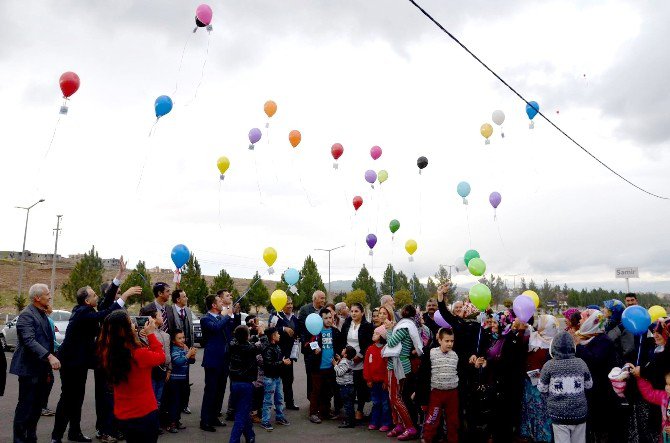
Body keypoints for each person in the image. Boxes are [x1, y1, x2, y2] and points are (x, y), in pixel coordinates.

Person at [51, 284, 140, 443]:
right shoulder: (82, 312)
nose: (96, 297)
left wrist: (117, 280)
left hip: (81, 362)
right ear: (87, 300)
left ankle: (74, 432)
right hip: (71, 363)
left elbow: (105, 303)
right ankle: (56, 436)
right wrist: (124, 296)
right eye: (93, 295)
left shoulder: (88, 310)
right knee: (68, 399)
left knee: (77, 398)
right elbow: (106, 311)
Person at [97, 310, 165, 443]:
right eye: (131, 323)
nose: (134, 325)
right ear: (125, 330)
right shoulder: (138, 355)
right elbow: (161, 356)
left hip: (123, 413)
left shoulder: (107, 353)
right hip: (144, 412)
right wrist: (151, 334)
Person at [11, 283, 61, 443]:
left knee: (36, 408)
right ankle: (19, 439)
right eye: (47, 294)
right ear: (37, 298)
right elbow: (29, 340)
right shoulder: (26, 315)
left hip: (41, 370)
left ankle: (31, 437)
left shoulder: (42, 314)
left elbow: (47, 341)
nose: (50, 296)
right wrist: (50, 357)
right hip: (29, 370)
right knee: (25, 408)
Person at [574, 309, 622, 442]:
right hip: (590, 388)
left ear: (591, 321)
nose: (579, 321)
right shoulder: (588, 337)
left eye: (583, 318)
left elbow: (594, 360)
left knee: (601, 424)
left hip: (601, 390)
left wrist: (578, 346)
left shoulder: (603, 340)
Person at [537, 331, 593, 443]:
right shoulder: (581, 363)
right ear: (573, 347)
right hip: (579, 413)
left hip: (558, 414)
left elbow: (541, 388)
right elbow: (589, 385)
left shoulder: (549, 365)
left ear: (553, 347)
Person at [95, 259, 128, 442]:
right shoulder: (103, 307)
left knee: (117, 396)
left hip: (118, 357)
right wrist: (119, 277)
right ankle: (104, 429)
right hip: (105, 359)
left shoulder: (122, 309)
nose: (120, 295)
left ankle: (116, 427)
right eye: (118, 292)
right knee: (105, 397)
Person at [383, 304, 424, 441]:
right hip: (398, 364)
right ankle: (400, 425)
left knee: (395, 398)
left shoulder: (403, 327)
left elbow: (392, 343)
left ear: (403, 313)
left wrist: (389, 330)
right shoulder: (410, 325)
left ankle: (410, 427)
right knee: (394, 397)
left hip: (398, 365)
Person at [520, 314, 559, 443]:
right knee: (531, 410)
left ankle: (544, 437)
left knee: (543, 413)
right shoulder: (533, 337)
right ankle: (532, 433)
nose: (539, 325)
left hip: (544, 386)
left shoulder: (555, 343)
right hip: (530, 383)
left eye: (542, 323)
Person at [199, 293, 235, 432]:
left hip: (224, 359)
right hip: (213, 360)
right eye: (219, 301)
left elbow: (229, 330)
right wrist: (226, 316)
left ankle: (214, 416)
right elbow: (216, 328)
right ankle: (205, 420)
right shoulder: (206, 319)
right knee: (211, 391)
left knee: (220, 390)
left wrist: (231, 314)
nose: (222, 303)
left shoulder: (221, 317)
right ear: (213, 305)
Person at [420, 327, 460, 443]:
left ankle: (453, 439)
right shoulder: (432, 353)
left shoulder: (455, 355)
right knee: (433, 418)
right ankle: (427, 438)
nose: (450, 344)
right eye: (447, 341)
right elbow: (424, 374)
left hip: (452, 393)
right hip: (436, 393)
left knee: (453, 420)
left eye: (452, 341)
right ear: (440, 340)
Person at [303, 308, 342, 424]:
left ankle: (326, 411)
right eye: (326, 318)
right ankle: (313, 413)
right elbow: (304, 346)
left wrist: (338, 355)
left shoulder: (335, 332)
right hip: (317, 367)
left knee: (328, 391)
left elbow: (339, 346)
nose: (329, 320)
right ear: (320, 319)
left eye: (330, 317)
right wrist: (313, 349)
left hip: (331, 366)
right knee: (316, 390)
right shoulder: (315, 332)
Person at [229, 325, 265, 443]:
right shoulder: (251, 349)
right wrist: (262, 334)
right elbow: (263, 345)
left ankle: (250, 435)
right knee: (241, 414)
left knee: (244, 411)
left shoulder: (233, 346)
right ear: (247, 337)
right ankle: (234, 440)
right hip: (246, 384)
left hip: (234, 383)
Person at [339, 302, 374, 422]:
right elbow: (342, 341)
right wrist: (344, 355)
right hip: (347, 360)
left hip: (361, 360)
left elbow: (369, 345)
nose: (353, 313)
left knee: (361, 387)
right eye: (352, 311)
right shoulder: (347, 324)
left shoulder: (367, 326)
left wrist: (359, 356)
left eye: (356, 311)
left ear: (362, 313)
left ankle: (360, 410)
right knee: (349, 386)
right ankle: (349, 412)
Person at [166, 289, 194, 415]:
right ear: (178, 299)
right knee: (174, 380)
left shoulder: (187, 310)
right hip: (175, 349)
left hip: (187, 350)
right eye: (184, 296)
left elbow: (190, 330)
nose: (186, 298)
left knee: (186, 379)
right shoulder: (170, 310)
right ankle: (173, 407)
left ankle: (184, 404)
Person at [269, 296, 300, 410]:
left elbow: (297, 331)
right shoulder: (276, 316)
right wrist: (283, 329)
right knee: (276, 380)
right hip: (277, 353)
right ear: (281, 304)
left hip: (290, 353)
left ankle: (289, 402)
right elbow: (270, 330)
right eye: (287, 303)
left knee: (288, 379)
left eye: (291, 303)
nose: (290, 306)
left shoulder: (294, 317)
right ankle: (275, 404)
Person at [164, 329, 196, 433]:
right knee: (174, 402)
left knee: (181, 402)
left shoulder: (184, 348)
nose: (182, 340)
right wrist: (188, 354)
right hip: (174, 380)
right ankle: (171, 423)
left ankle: (177, 421)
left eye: (183, 337)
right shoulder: (174, 349)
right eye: (179, 338)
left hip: (183, 379)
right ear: (173, 341)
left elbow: (190, 361)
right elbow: (178, 361)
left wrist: (192, 355)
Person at [260, 327, 291, 431]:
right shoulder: (268, 348)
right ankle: (265, 421)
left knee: (279, 399)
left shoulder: (276, 346)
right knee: (268, 401)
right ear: (273, 336)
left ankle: (279, 417)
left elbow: (276, 360)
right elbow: (269, 365)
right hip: (270, 378)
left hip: (277, 377)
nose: (279, 335)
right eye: (277, 334)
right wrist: (282, 362)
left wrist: (282, 361)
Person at [298, 290, 327, 398]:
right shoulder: (305, 310)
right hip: (309, 349)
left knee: (322, 376)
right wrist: (311, 344)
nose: (324, 300)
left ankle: (321, 400)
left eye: (324, 298)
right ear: (314, 299)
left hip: (323, 348)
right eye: (321, 298)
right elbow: (302, 330)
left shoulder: (325, 310)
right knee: (311, 376)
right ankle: (311, 400)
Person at [364, 326, 392, 432]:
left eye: (376, 333)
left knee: (385, 403)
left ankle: (386, 423)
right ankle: (374, 422)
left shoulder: (385, 349)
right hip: (373, 381)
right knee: (376, 403)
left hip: (383, 382)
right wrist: (368, 379)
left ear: (382, 336)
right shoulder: (370, 349)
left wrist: (386, 381)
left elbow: (387, 367)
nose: (373, 335)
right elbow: (366, 365)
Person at [633, 366, 670, 441]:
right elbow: (649, 393)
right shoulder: (664, 397)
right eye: (666, 384)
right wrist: (639, 377)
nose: (667, 387)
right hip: (665, 438)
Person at [333, 346, 357, 428]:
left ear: (346, 355)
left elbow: (340, 372)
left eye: (344, 350)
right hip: (350, 385)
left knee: (347, 405)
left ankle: (350, 422)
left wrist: (335, 365)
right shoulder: (350, 361)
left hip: (345, 386)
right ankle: (352, 420)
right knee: (350, 404)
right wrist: (340, 359)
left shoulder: (344, 362)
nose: (342, 349)